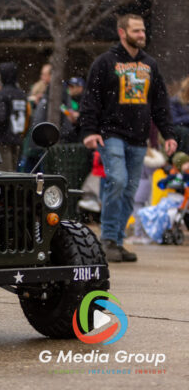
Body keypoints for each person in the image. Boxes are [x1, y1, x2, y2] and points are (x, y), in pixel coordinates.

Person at [79, 13, 177, 263]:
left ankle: (118, 241)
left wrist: (169, 134)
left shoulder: (150, 65)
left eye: (143, 30)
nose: (142, 35)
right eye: (136, 31)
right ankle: (109, 238)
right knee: (118, 181)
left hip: (138, 138)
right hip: (111, 134)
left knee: (130, 190)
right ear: (122, 33)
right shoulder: (104, 62)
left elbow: (160, 104)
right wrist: (89, 131)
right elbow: (91, 99)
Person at [0, 62, 28, 171]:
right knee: (14, 172)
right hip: (17, 139)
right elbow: (28, 117)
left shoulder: (2, 95)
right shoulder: (21, 94)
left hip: (3, 141)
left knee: (4, 174)